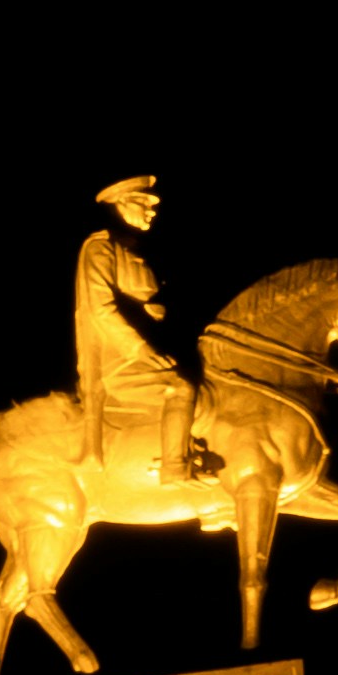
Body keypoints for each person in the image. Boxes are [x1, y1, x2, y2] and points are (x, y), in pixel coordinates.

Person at [71, 174, 218, 486]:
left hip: (152, 351)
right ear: (121, 204)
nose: (152, 211)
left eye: (152, 205)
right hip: (120, 362)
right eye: (144, 204)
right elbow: (100, 309)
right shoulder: (100, 248)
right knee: (179, 388)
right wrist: (140, 350)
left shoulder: (135, 251)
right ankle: (174, 468)